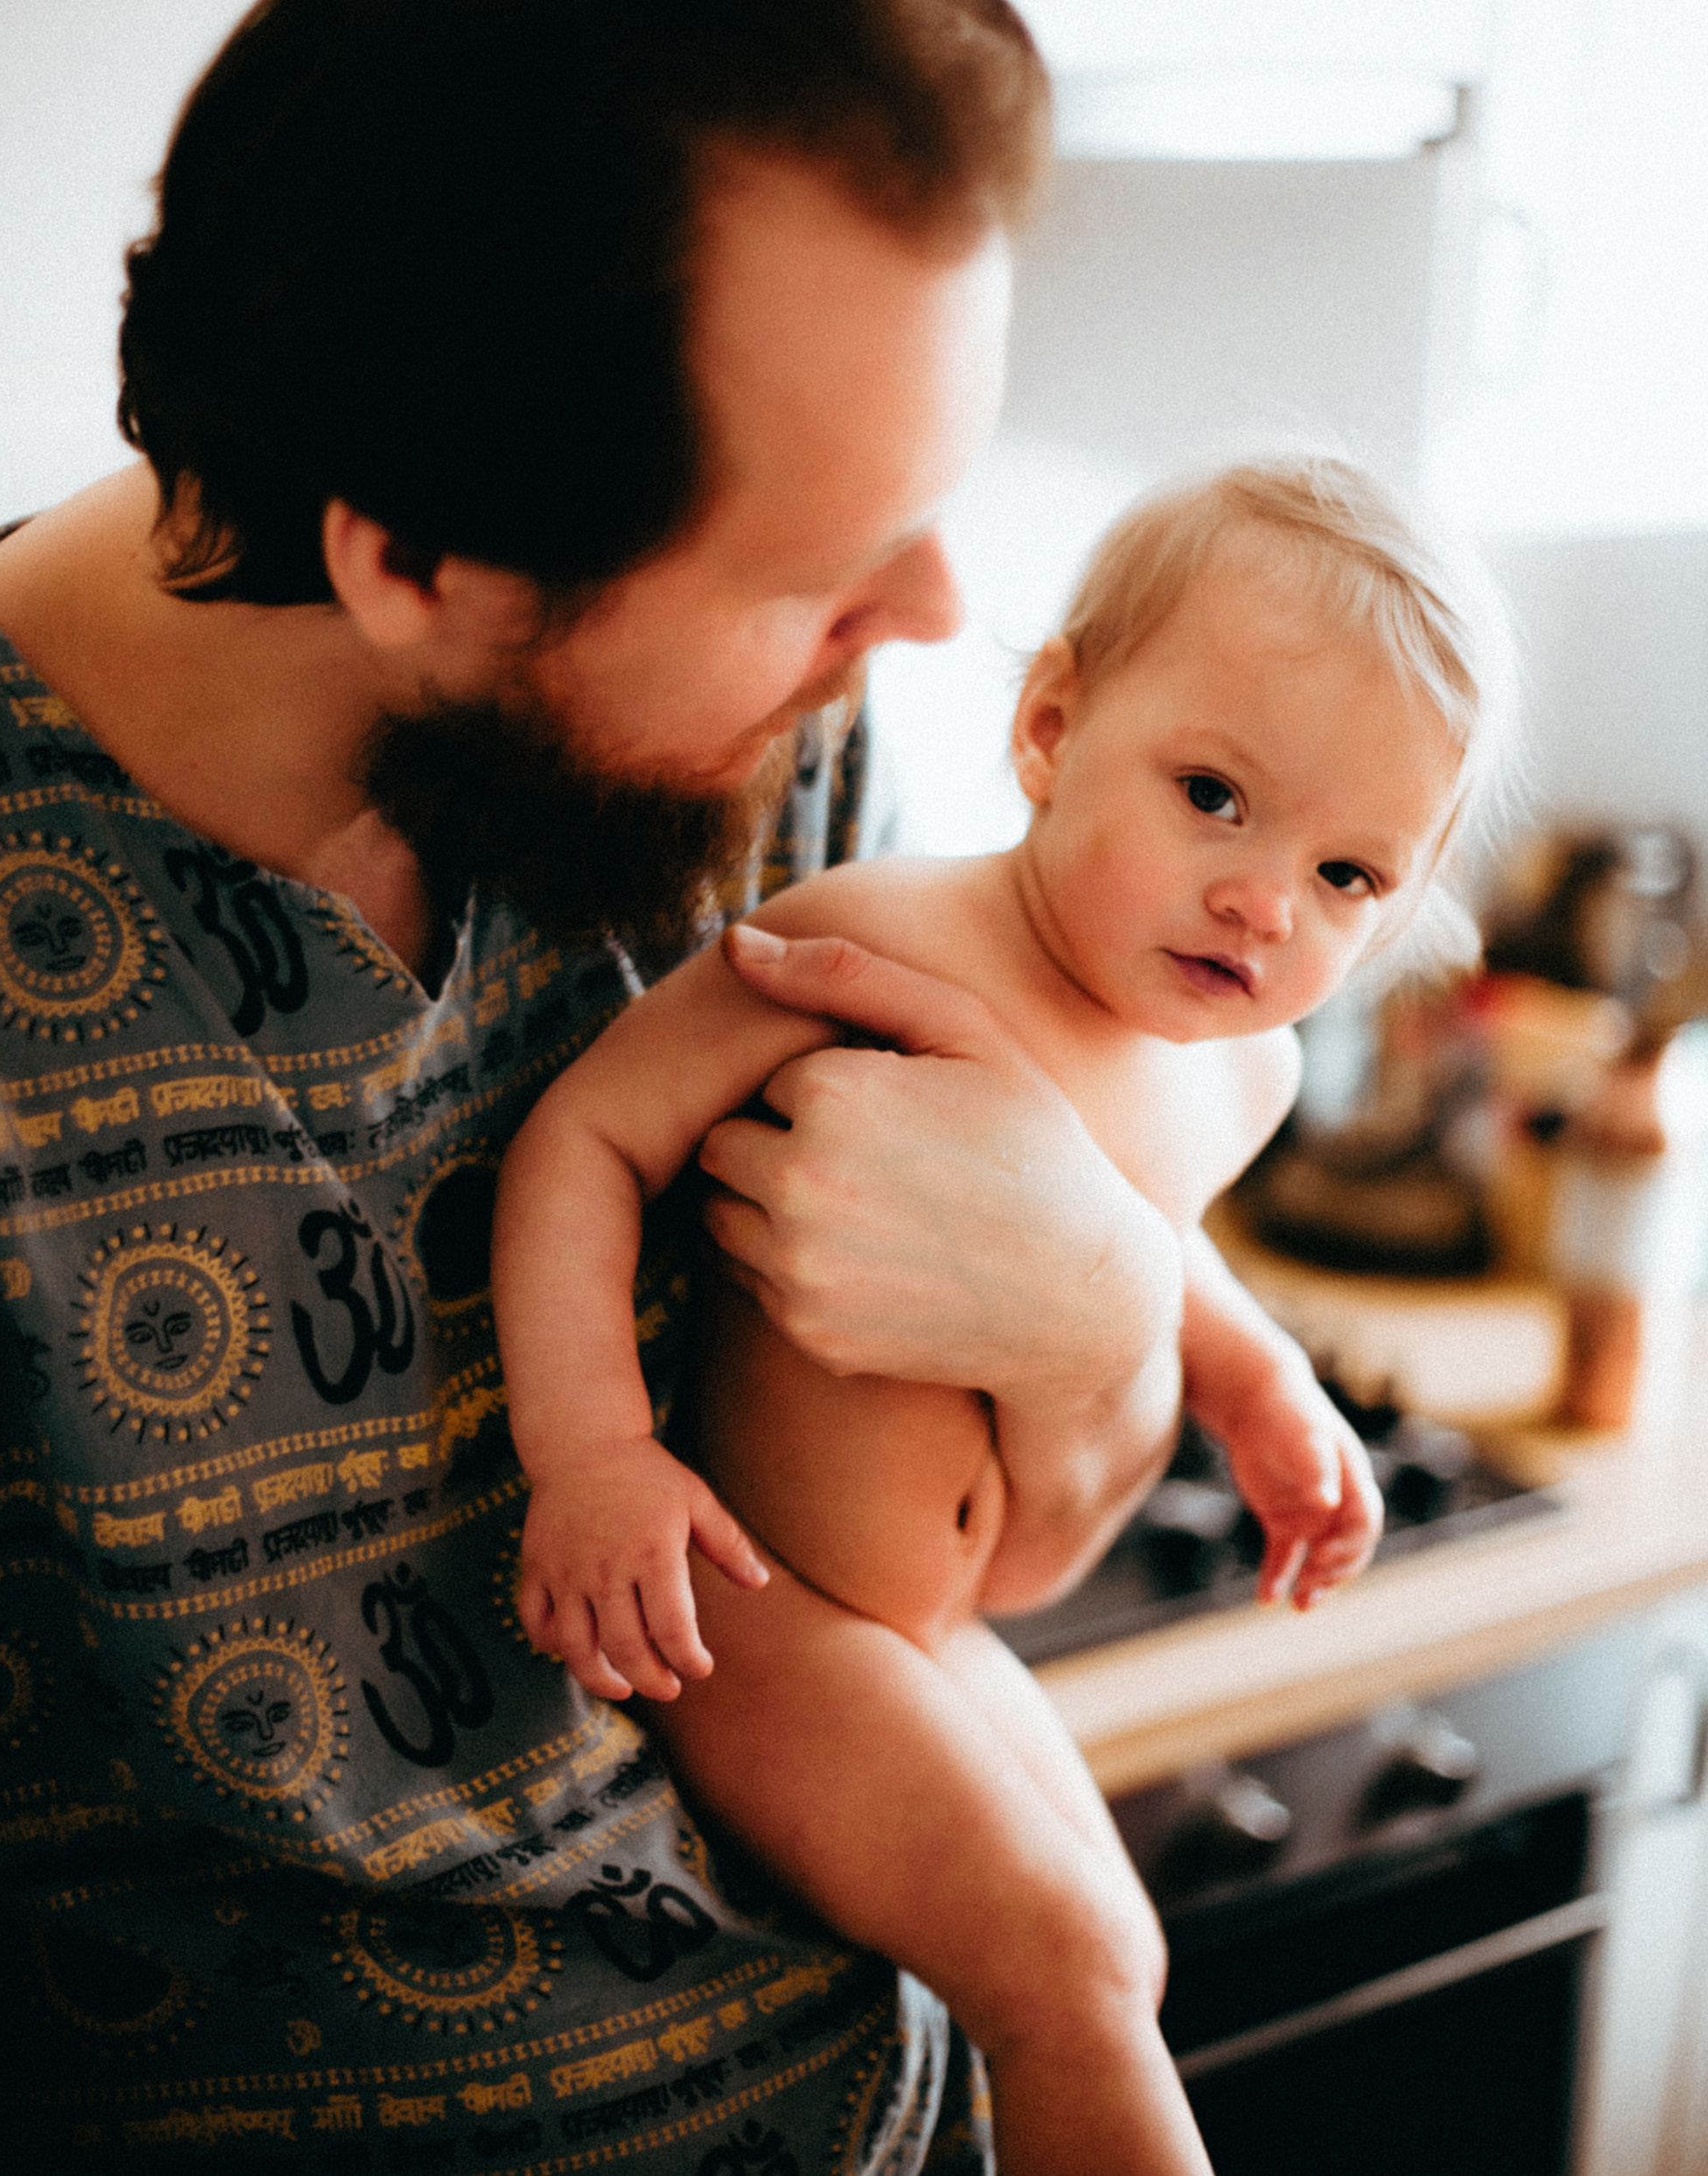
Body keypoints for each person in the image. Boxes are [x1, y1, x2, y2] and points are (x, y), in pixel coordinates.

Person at [0, 1, 1216, 2167]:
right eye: (820, 570)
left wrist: (1099, 1310)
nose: (919, 617)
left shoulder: (751, 753)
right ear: (418, 565)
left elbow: (961, 1573)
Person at [493, 456, 1521, 2174]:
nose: (1265, 900)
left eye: (1349, 873)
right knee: (1065, 1972)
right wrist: (590, 1444)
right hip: (762, 1608)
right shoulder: (879, 935)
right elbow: (583, 1134)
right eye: (1213, 793)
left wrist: (1259, 1386)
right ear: (1050, 729)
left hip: (945, 1629)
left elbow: (1144, 1245)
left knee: (1128, 1945)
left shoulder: (1236, 1068)